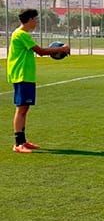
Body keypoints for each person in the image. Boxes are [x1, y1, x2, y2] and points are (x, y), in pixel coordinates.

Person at [7, 8, 70, 153]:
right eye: (35, 19)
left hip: (26, 75)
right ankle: (18, 144)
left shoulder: (22, 34)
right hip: (21, 75)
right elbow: (40, 51)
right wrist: (62, 49)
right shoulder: (21, 34)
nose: (36, 22)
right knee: (21, 108)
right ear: (29, 20)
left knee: (25, 108)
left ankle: (23, 141)